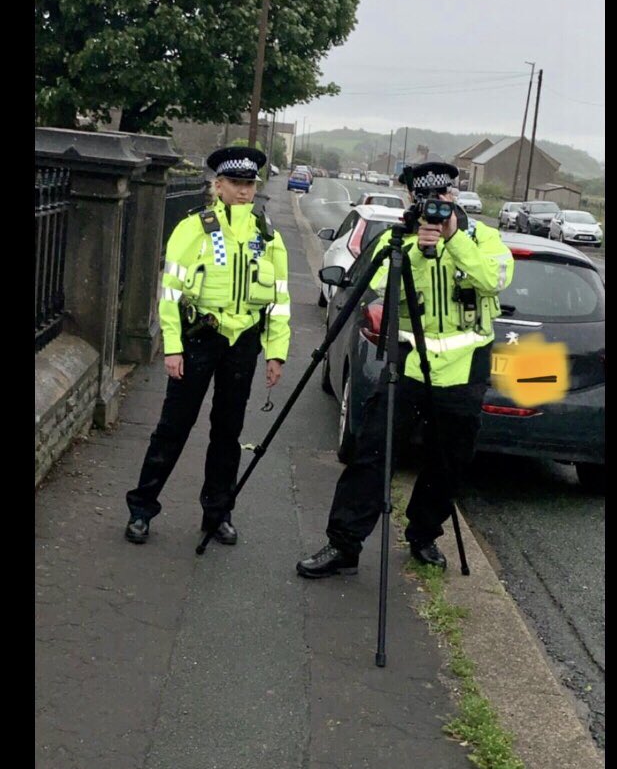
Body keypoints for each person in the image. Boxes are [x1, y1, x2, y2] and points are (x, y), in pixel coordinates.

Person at [296, 161, 514, 578]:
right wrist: (416, 245)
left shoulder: (483, 238)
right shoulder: (401, 241)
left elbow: (493, 280)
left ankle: (424, 535)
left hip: (464, 369)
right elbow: (379, 284)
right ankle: (344, 544)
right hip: (409, 364)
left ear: (454, 197)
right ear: (415, 200)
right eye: (426, 200)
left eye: (443, 198)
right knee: (371, 452)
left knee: (448, 461)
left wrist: (453, 241)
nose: (436, 207)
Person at [125, 146, 291, 545]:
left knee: (228, 433)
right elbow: (170, 293)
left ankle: (217, 514)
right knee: (173, 428)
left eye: (250, 184)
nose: (244, 191)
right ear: (217, 186)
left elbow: (279, 300)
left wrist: (276, 351)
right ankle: (142, 509)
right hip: (200, 337)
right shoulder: (193, 228)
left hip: (243, 341)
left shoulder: (267, 235)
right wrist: (172, 347)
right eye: (235, 183)